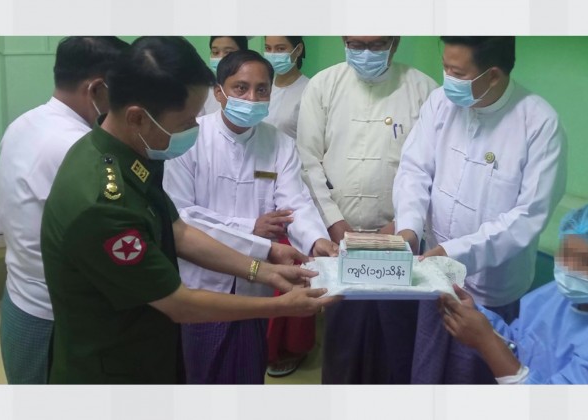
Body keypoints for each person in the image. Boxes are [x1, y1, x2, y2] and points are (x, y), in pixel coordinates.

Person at [40, 36, 339, 384]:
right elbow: (178, 303)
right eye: (186, 121)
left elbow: (178, 230)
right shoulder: (105, 202)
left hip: (149, 344)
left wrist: (265, 269)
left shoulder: (124, 157)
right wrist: (279, 305)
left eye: (261, 90)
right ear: (138, 118)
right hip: (113, 367)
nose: (196, 129)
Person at [394, 36, 567, 384]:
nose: (447, 79)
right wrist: (409, 228)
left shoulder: (538, 123)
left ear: (493, 75)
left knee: (472, 376)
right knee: (427, 367)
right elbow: (415, 169)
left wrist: (454, 253)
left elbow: (528, 216)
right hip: (435, 273)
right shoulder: (440, 103)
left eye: (456, 72)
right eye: (445, 67)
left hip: (492, 289)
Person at [164, 49, 336, 384]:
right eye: (241, 88)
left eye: (262, 90)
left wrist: (317, 240)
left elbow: (295, 203)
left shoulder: (279, 143)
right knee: (201, 375)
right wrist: (252, 231)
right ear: (219, 92)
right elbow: (183, 216)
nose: (252, 98)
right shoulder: (189, 139)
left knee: (247, 372)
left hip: (256, 286)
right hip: (202, 282)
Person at [297, 36, 438, 384]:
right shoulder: (324, 85)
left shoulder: (423, 90)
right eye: (355, 44)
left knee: (397, 339)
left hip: (400, 240)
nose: (365, 53)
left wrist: (403, 226)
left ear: (395, 42)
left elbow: (431, 170)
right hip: (338, 240)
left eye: (376, 45)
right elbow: (308, 162)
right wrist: (335, 223)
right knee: (343, 340)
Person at [0, 36, 128, 384]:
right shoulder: (79, 147)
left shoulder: (24, 123)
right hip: (57, 316)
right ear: (97, 89)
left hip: (20, 298)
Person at [438, 203, 588, 384]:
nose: (569, 268)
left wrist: (486, 341)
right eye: (565, 254)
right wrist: (478, 318)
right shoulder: (558, 297)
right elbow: (519, 345)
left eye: (586, 262)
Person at [261, 35, 315, 378]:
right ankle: (263, 344)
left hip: (292, 186)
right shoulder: (259, 85)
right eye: (268, 47)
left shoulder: (310, 90)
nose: (273, 54)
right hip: (255, 186)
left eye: (281, 48)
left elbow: (309, 150)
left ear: (298, 49)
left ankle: (292, 346)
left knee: (291, 269)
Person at [199, 36, 248, 117]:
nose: (221, 58)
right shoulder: (203, 89)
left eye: (228, 53)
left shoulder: (253, 88)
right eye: (215, 52)